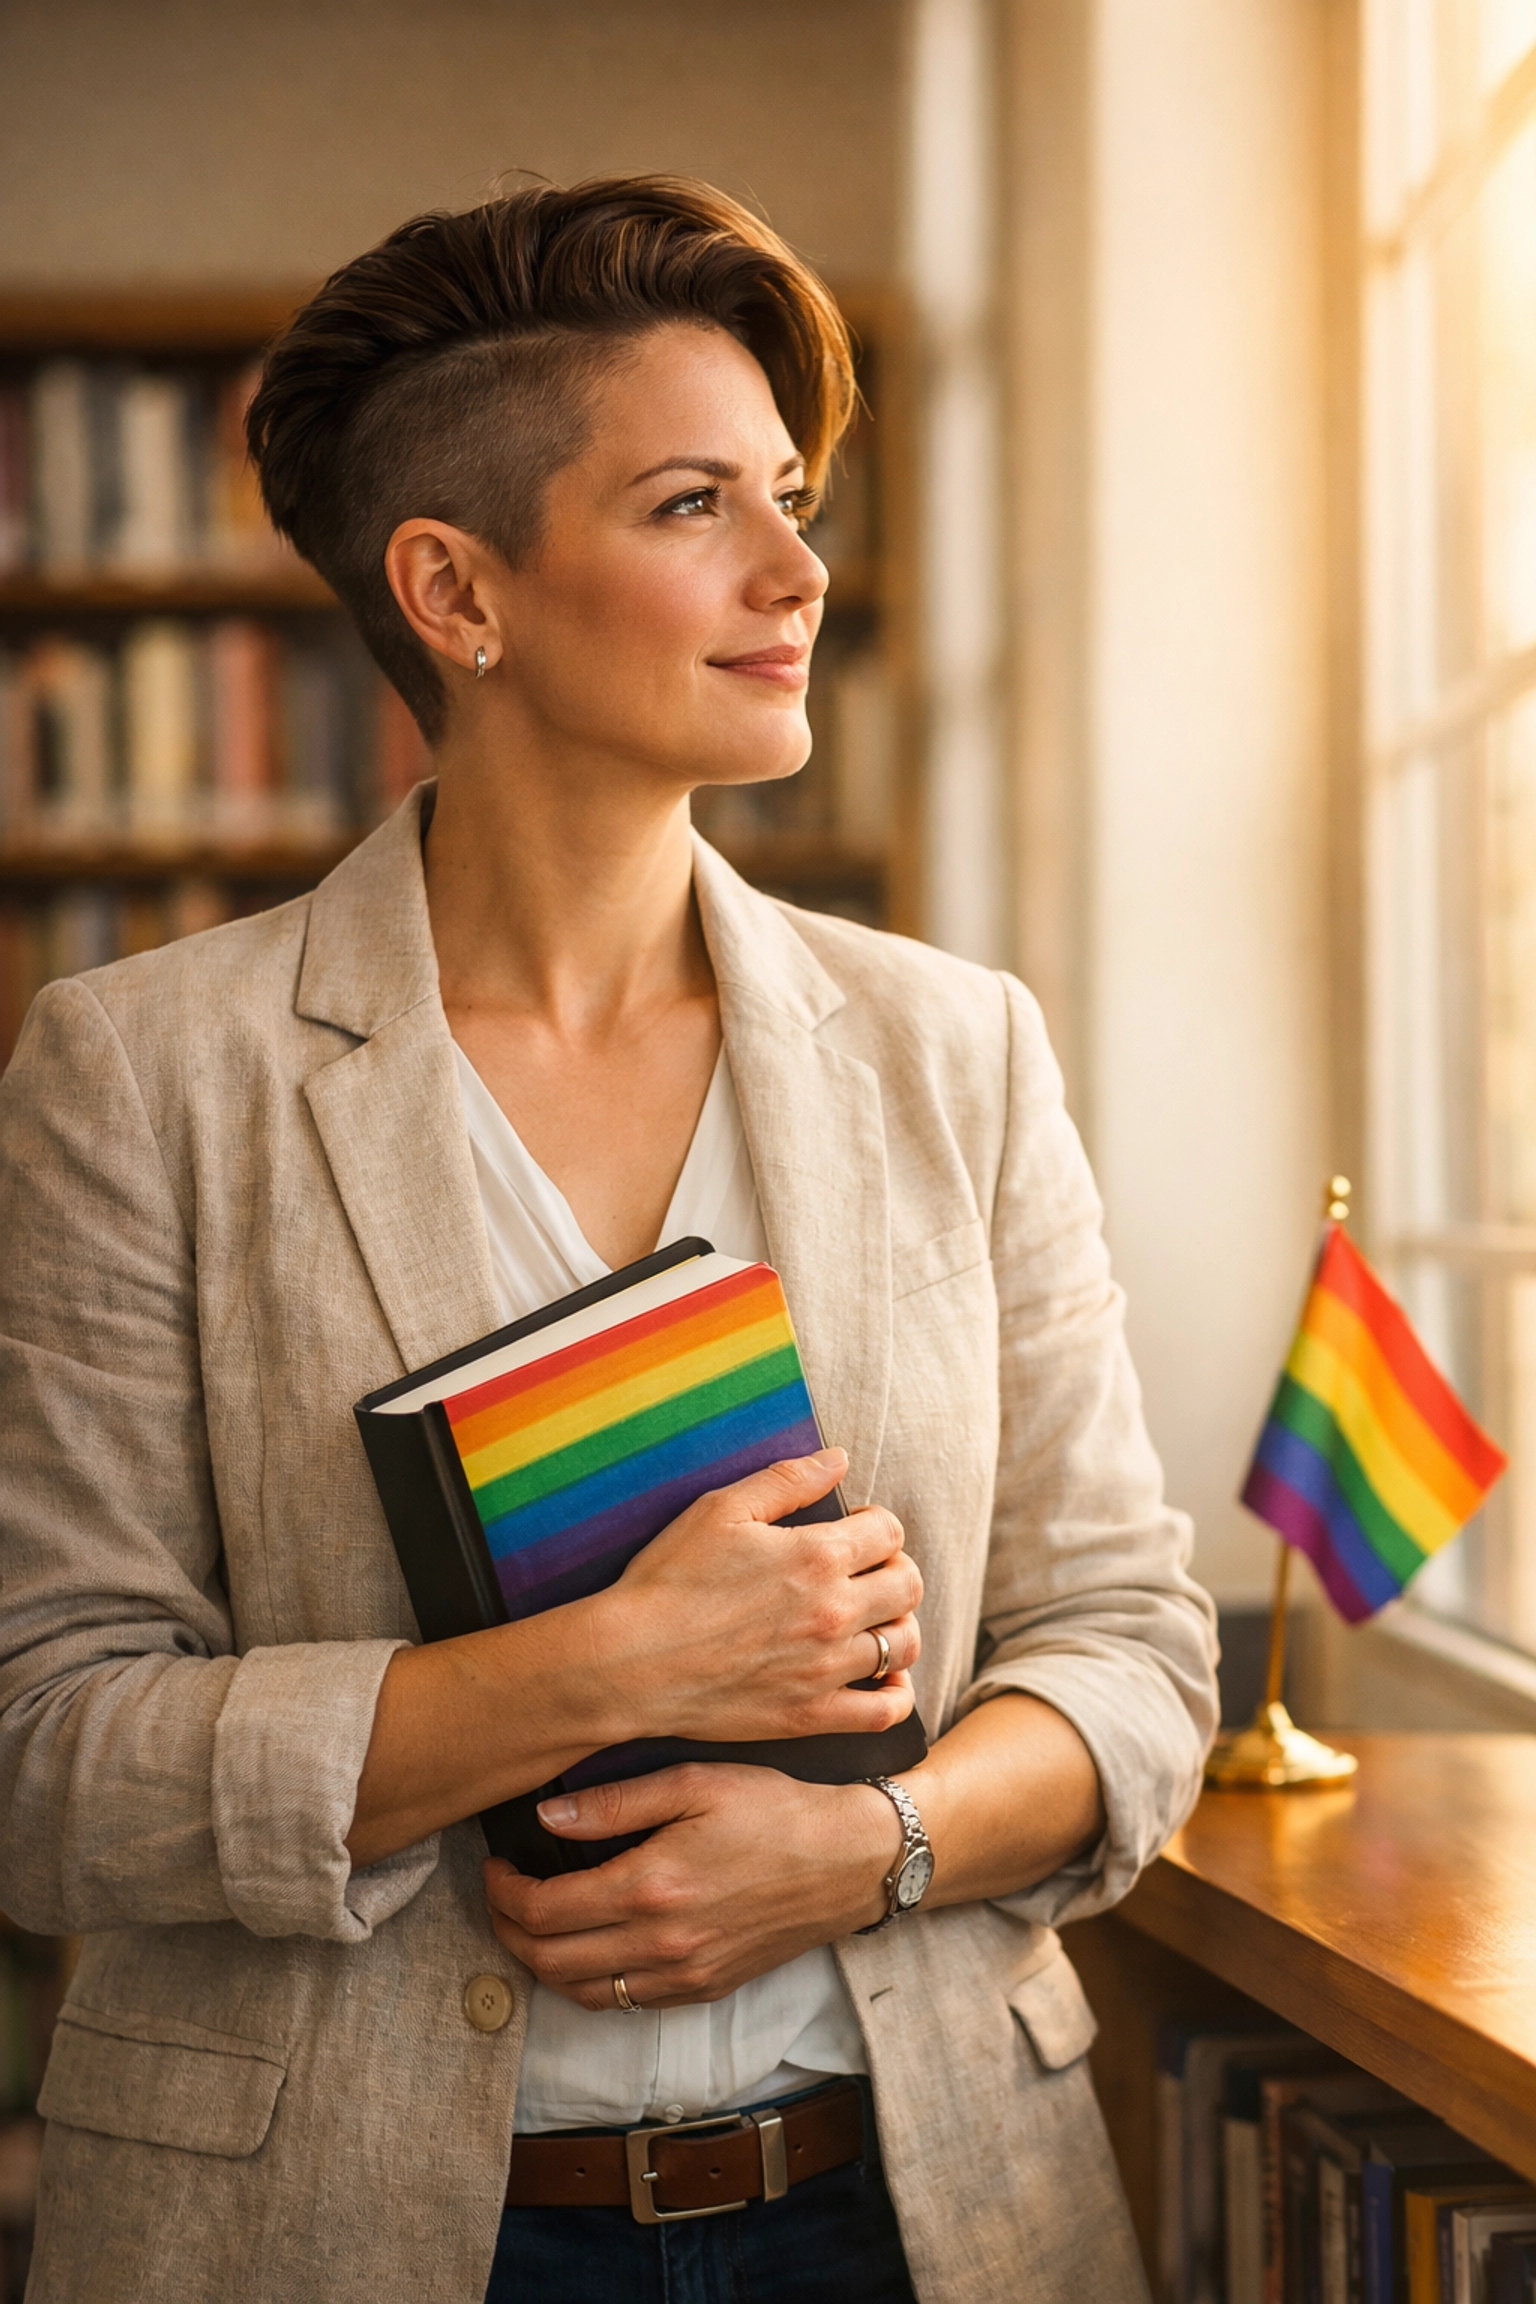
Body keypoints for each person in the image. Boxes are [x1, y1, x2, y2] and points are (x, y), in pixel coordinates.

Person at [0, 177, 1217, 2304]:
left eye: (790, 493)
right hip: (341, 2234)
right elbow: (46, 1758)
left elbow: (1128, 1651)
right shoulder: (138, 1072)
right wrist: (612, 1671)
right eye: (690, 507)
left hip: (913, 2215)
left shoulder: (960, 1049)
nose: (795, 567)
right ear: (456, 593)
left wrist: (866, 1847)